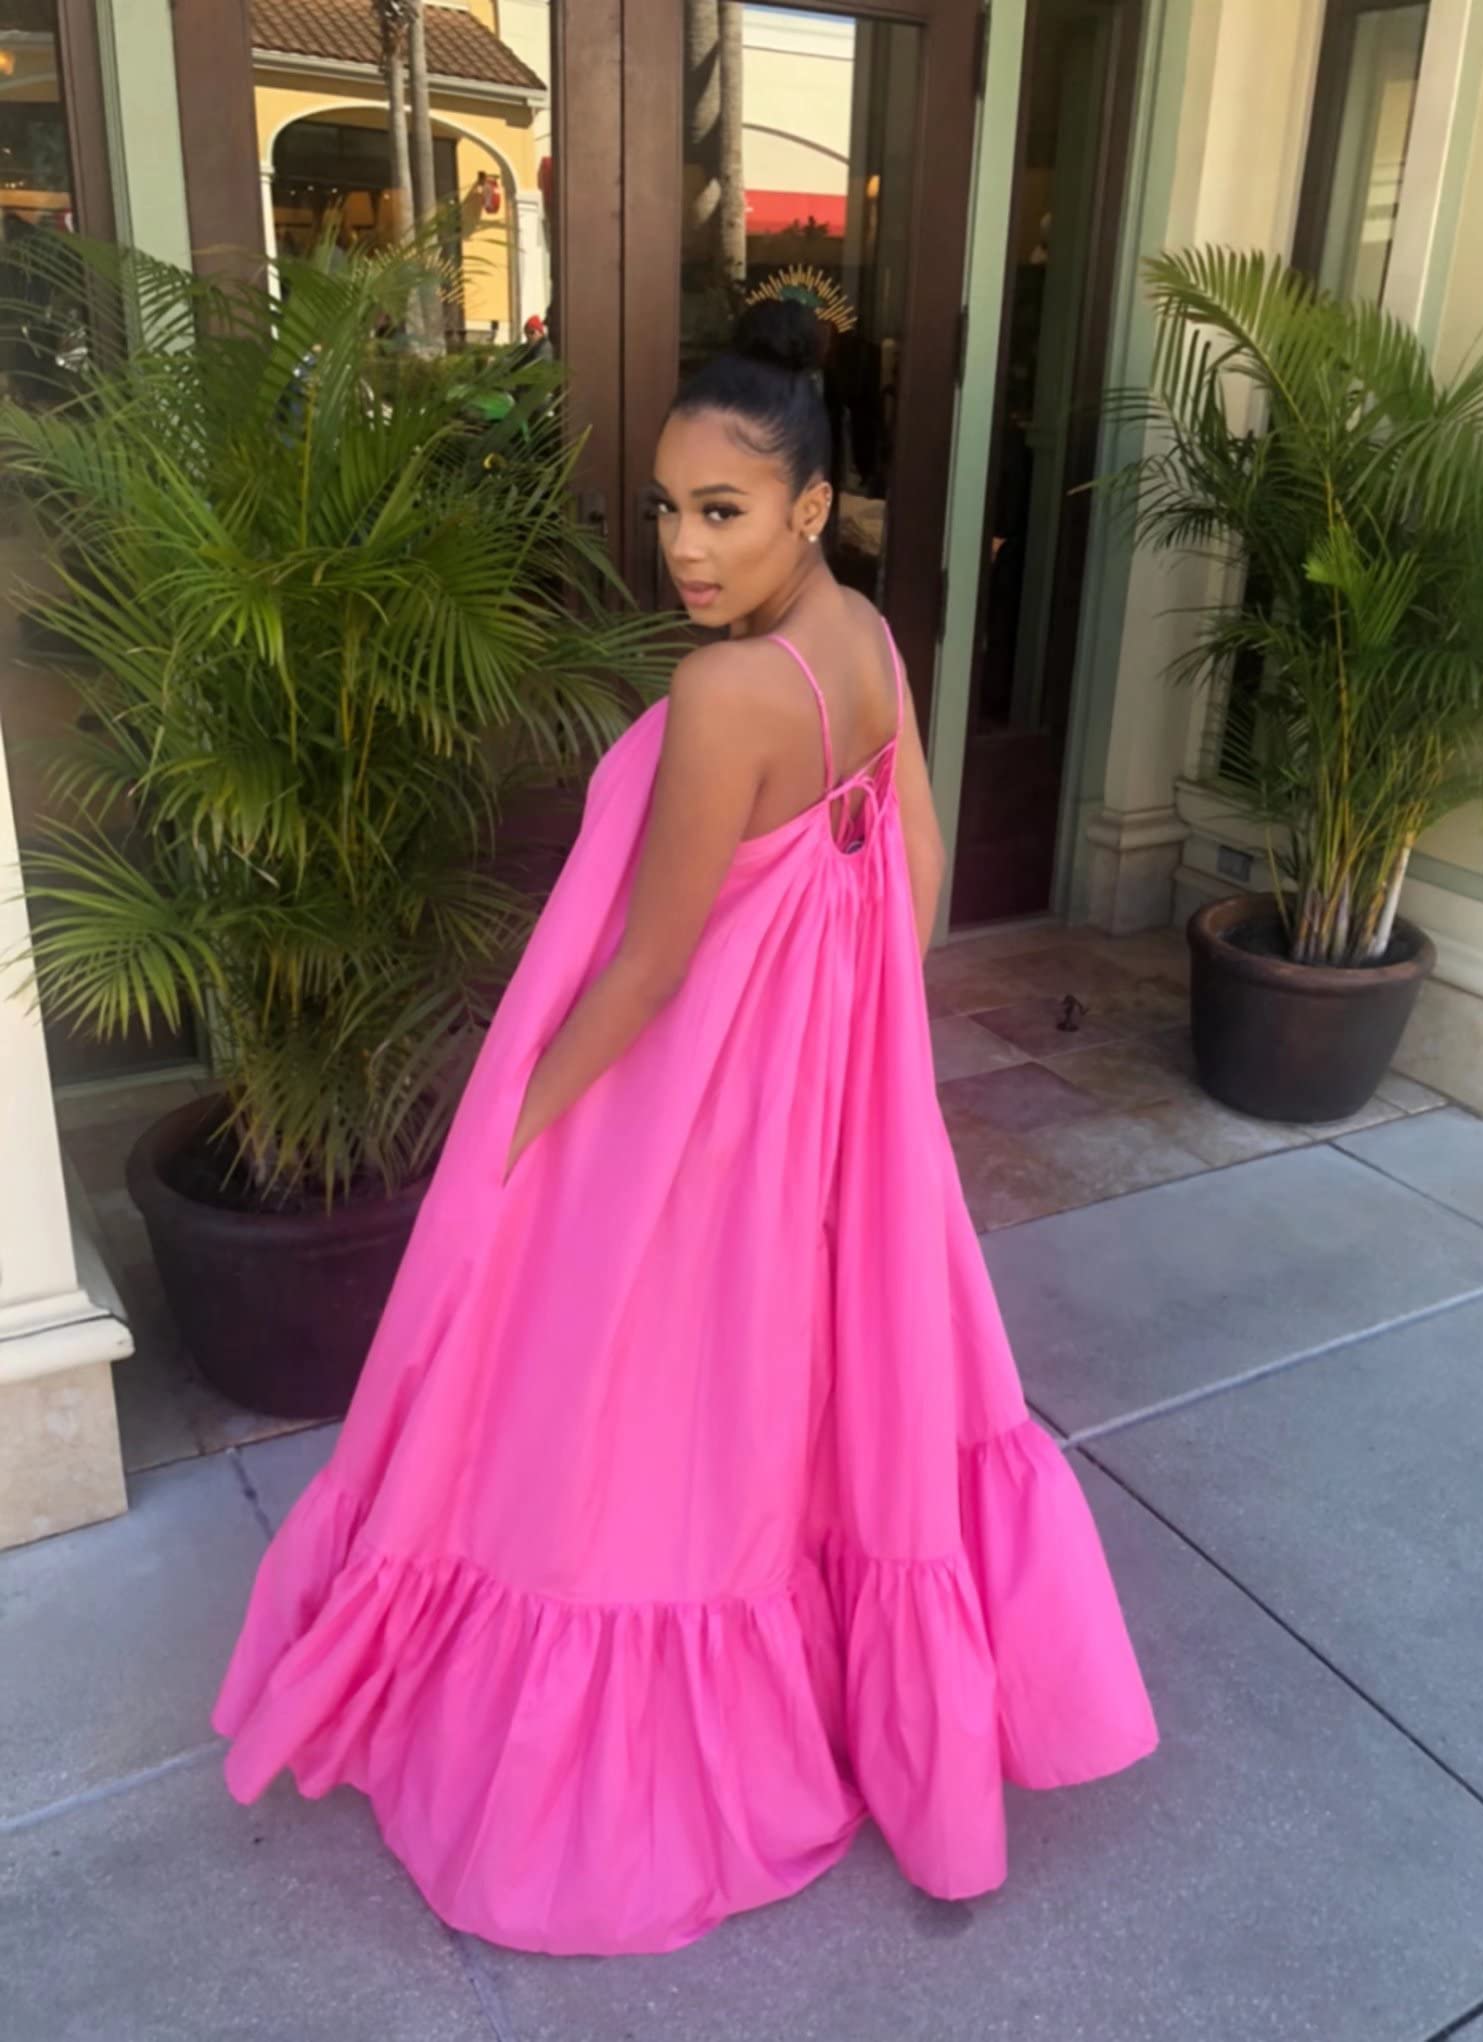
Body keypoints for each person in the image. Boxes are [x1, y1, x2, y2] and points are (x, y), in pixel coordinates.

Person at [211, 299, 1158, 1957]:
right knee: (780, 1398)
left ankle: (617, 1765)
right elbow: (919, 878)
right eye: (665, 509)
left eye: (722, 509)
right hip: (812, 1102)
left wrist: (513, 1126)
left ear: (811, 502)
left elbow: (648, 967)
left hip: (692, 1115)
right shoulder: (867, 639)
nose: (683, 548)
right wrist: (847, 1038)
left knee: (626, 1416)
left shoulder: (729, 690)